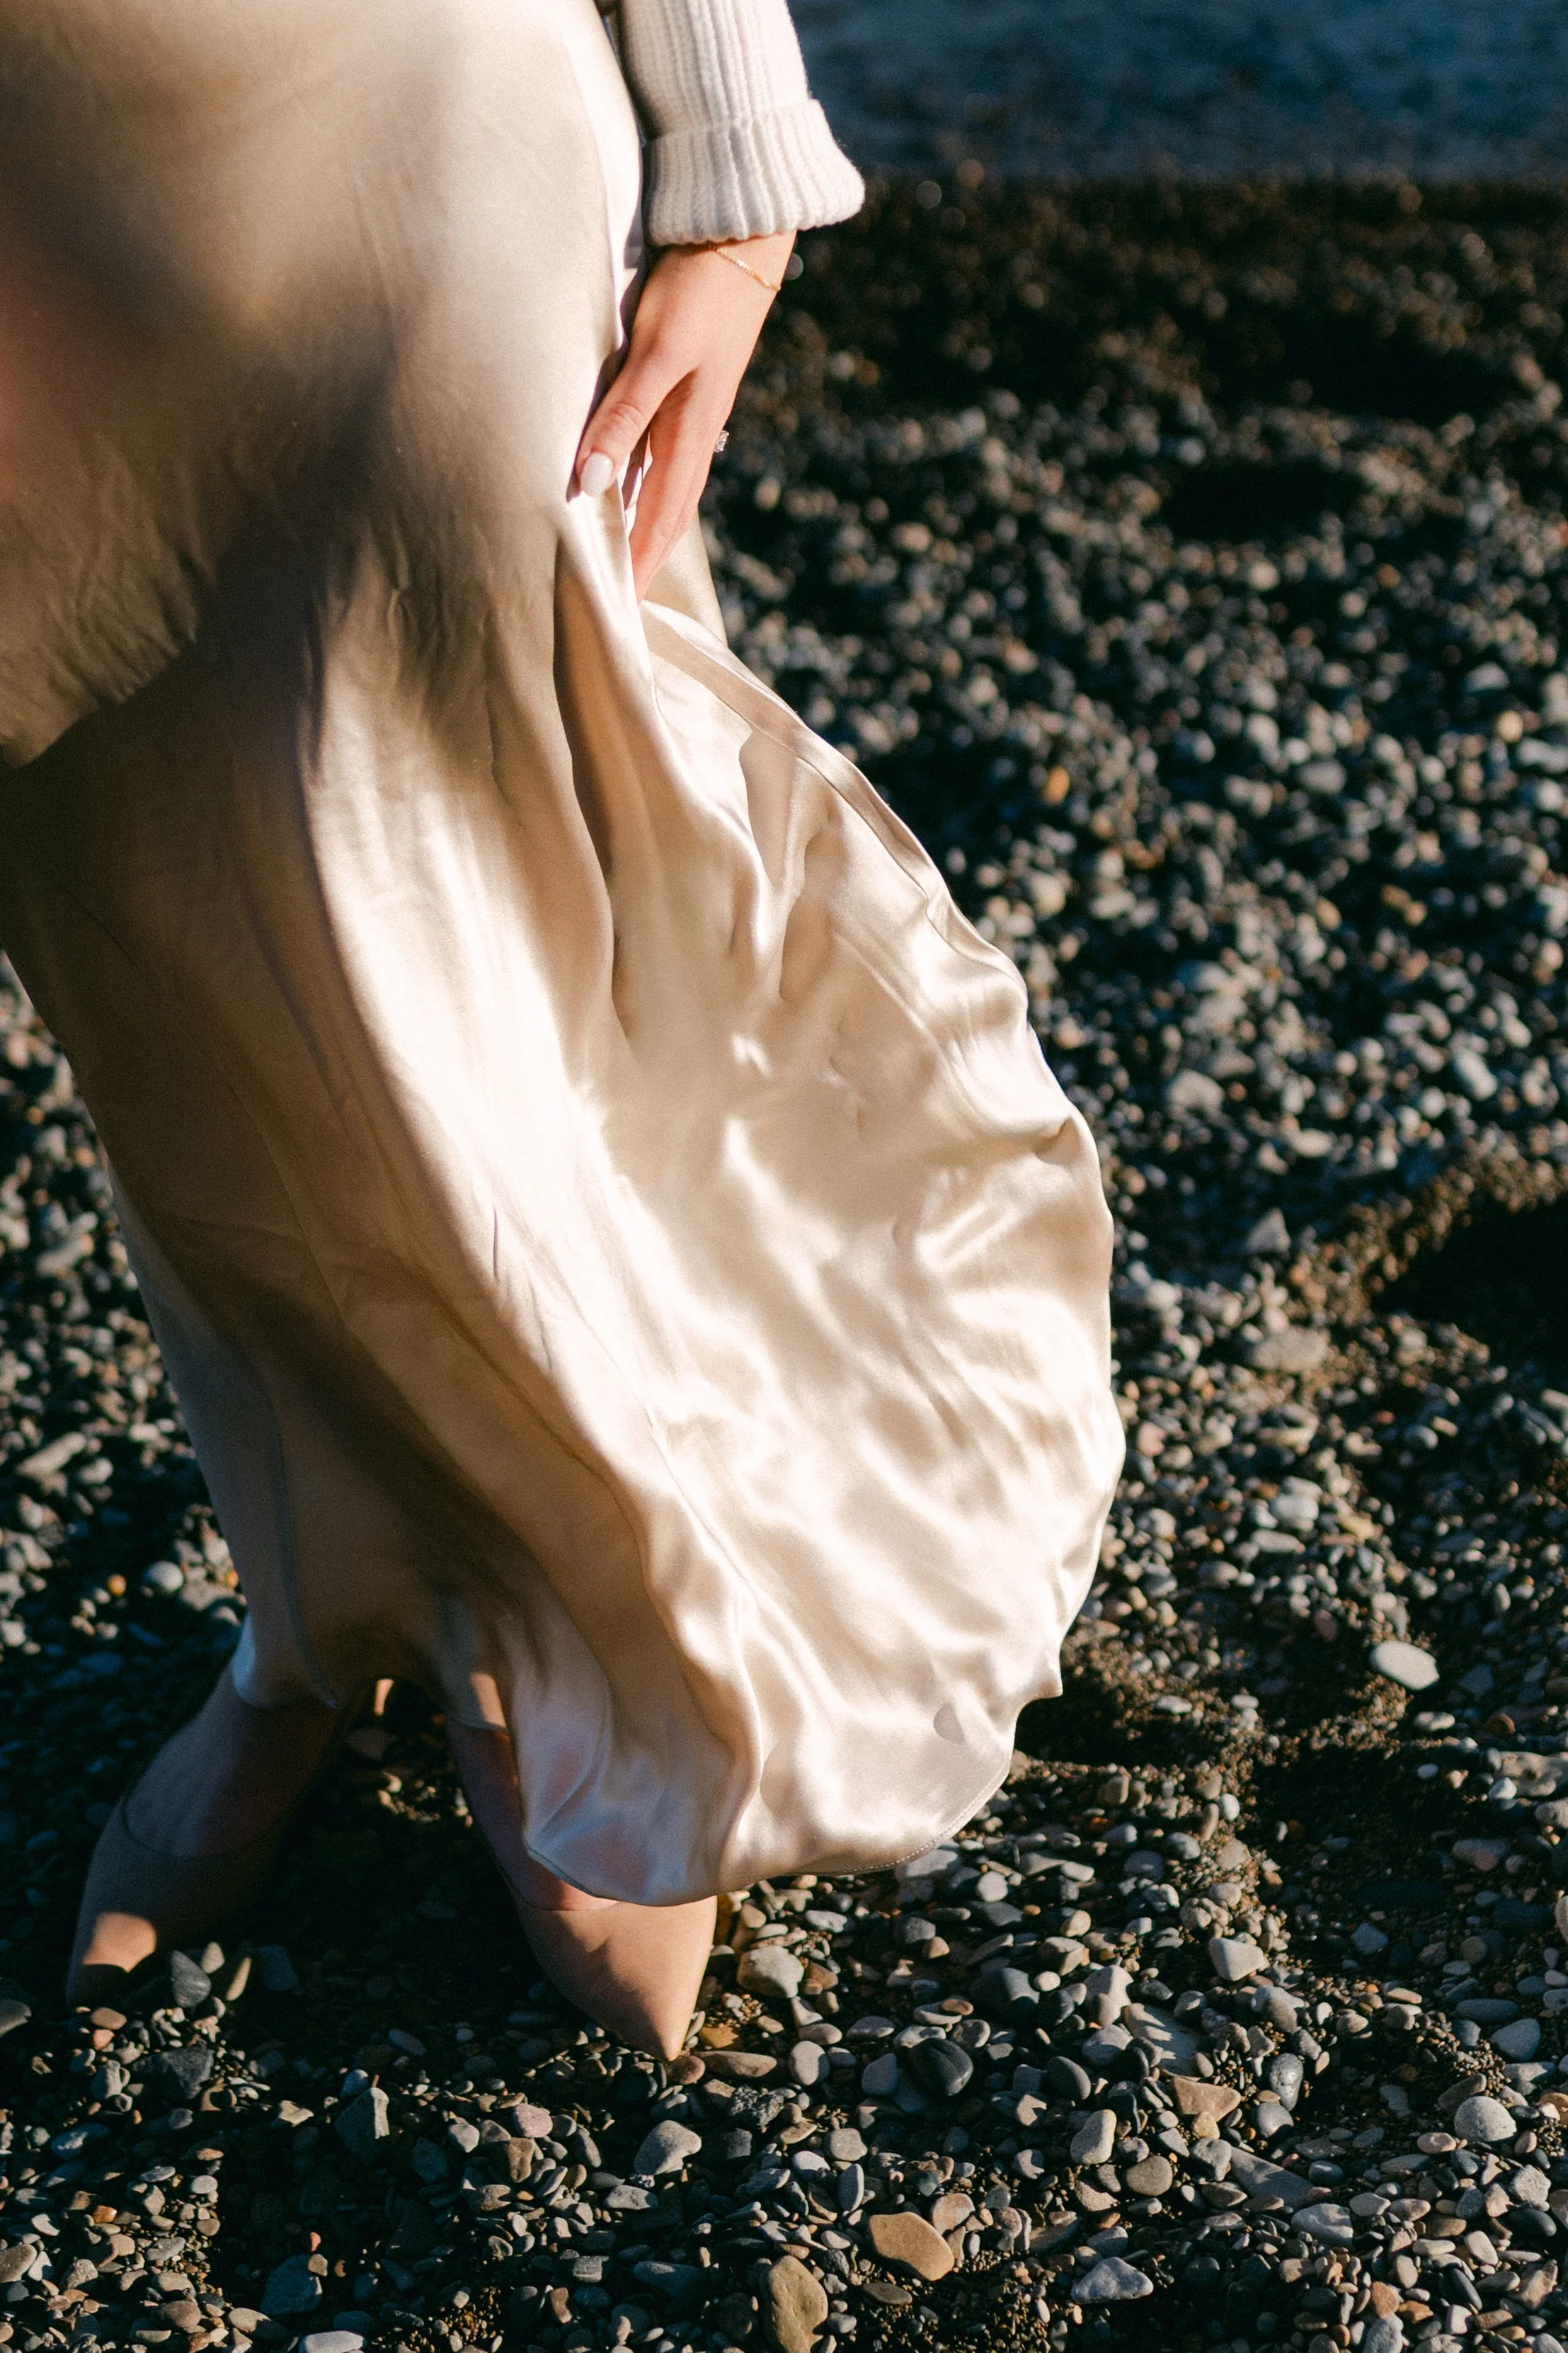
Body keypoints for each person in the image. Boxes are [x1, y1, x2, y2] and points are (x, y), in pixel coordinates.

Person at [0, 0, 1124, 2058]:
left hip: (388, 142)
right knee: (165, 992)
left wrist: (736, 190)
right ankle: (316, 1621)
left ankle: (588, 1635)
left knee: (493, 936)